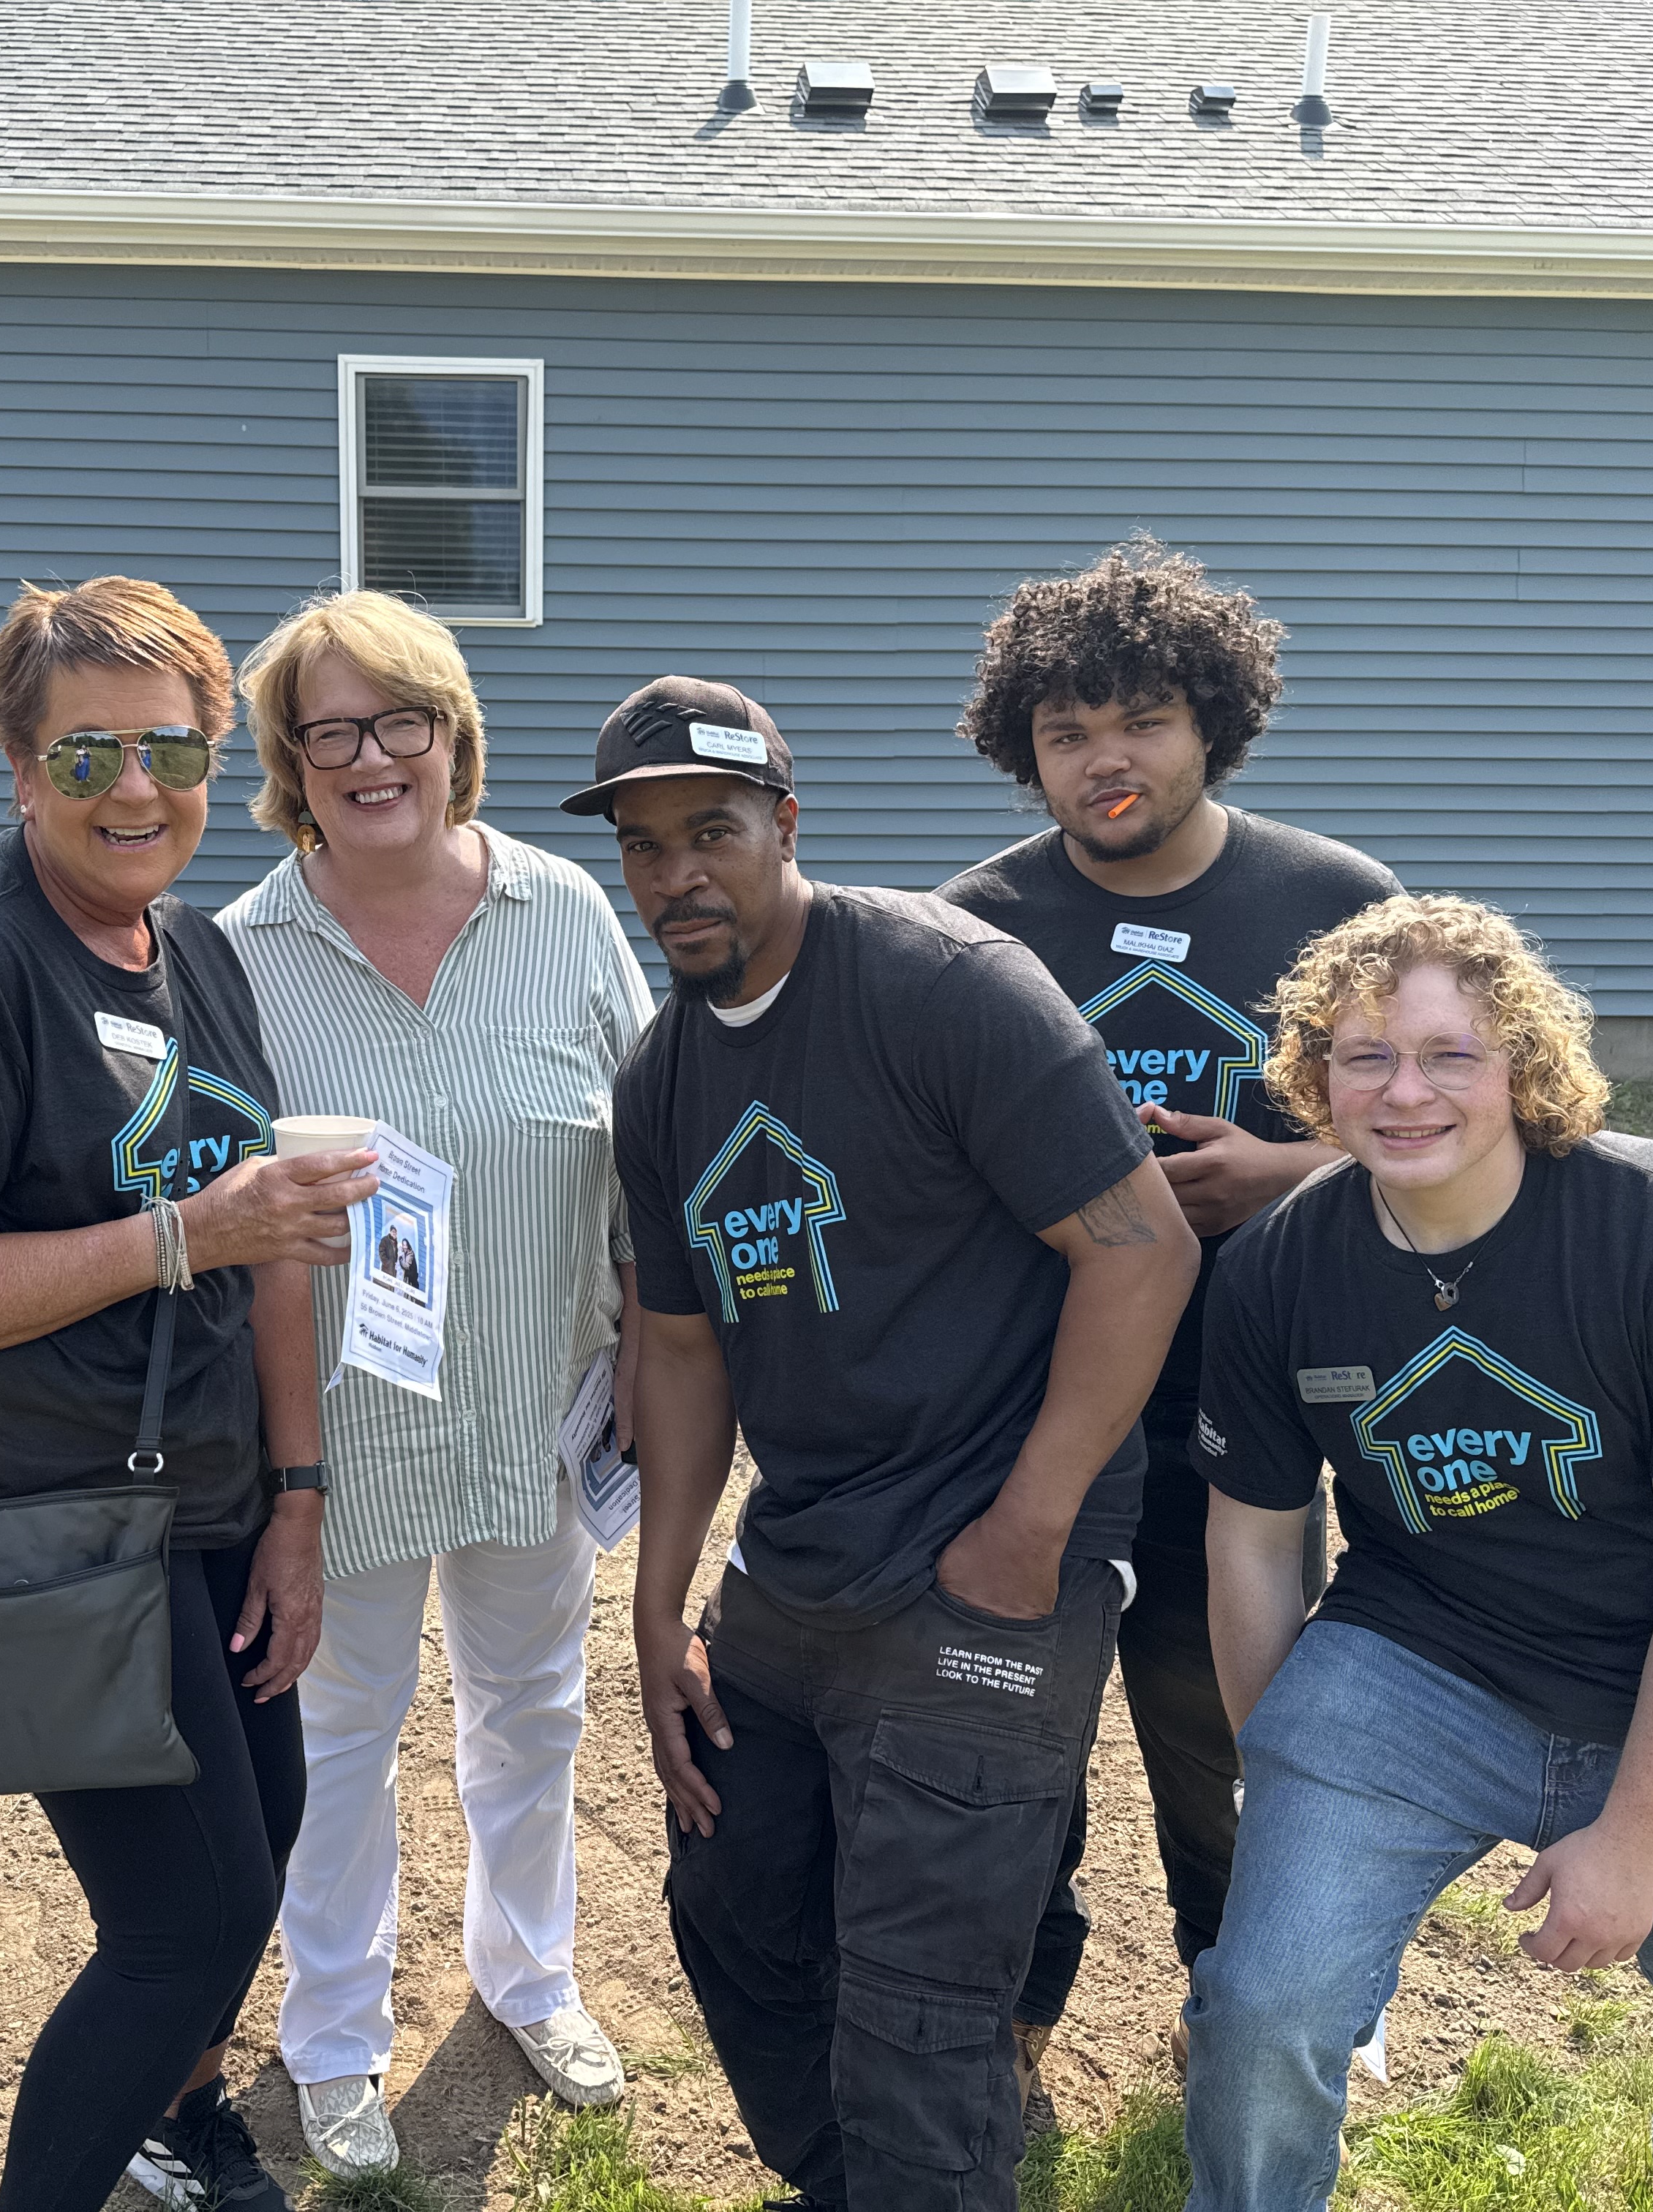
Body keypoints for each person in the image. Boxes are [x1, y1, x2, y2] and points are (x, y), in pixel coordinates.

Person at [587, 677, 1199, 2212]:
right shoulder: (663, 1078)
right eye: (645, 847)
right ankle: (852, 2182)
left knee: (919, 2004)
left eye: (713, 832)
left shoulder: (944, 987)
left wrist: (1031, 1528)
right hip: (802, 1560)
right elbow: (680, 1349)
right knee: (732, 1903)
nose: (677, 875)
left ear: (786, 825)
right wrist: (658, 1610)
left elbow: (1143, 1253)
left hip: (991, 1550)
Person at [1183, 894, 1653, 2209]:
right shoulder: (1278, 1268)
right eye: (1366, 1056)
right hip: (1413, 1667)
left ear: (1524, 1063)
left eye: (1449, 1054)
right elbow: (1258, 1547)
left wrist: (1637, 1838)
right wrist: (1278, 1773)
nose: (1406, 1093)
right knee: (1264, 2012)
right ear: (1317, 1076)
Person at [0, 578, 377, 2212]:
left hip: (208, 1499)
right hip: (55, 1514)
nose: (137, 790)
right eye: (88, 756)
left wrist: (297, 1500)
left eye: (173, 750)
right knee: (185, 1921)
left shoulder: (195, 950)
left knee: (260, 1842)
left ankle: (178, 2123)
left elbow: (270, 1244)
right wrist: (184, 1232)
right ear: (19, 768)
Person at [938, 538, 1402, 2088]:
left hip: (1249, 1417)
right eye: (1066, 732)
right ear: (1024, 750)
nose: (1106, 759)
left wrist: (1283, 1173)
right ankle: (1018, 2005)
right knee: (1025, 1735)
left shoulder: (1334, 908)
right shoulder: (977, 928)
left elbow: (1446, 1138)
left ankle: (1242, 2000)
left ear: (1213, 720)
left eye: (1141, 719)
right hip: (1038, 1416)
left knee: (1230, 1736)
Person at [219, 591, 652, 2174]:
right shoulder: (239, 955)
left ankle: (529, 1978)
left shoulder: (566, 915)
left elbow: (643, 1151)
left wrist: (648, 1348)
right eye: (327, 732)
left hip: (539, 1407)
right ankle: (334, 2035)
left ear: (454, 737)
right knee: (338, 1741)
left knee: (532, 1712)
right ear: (291, 764)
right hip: (340, 1438)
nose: (369, 757)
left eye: (399, 720)